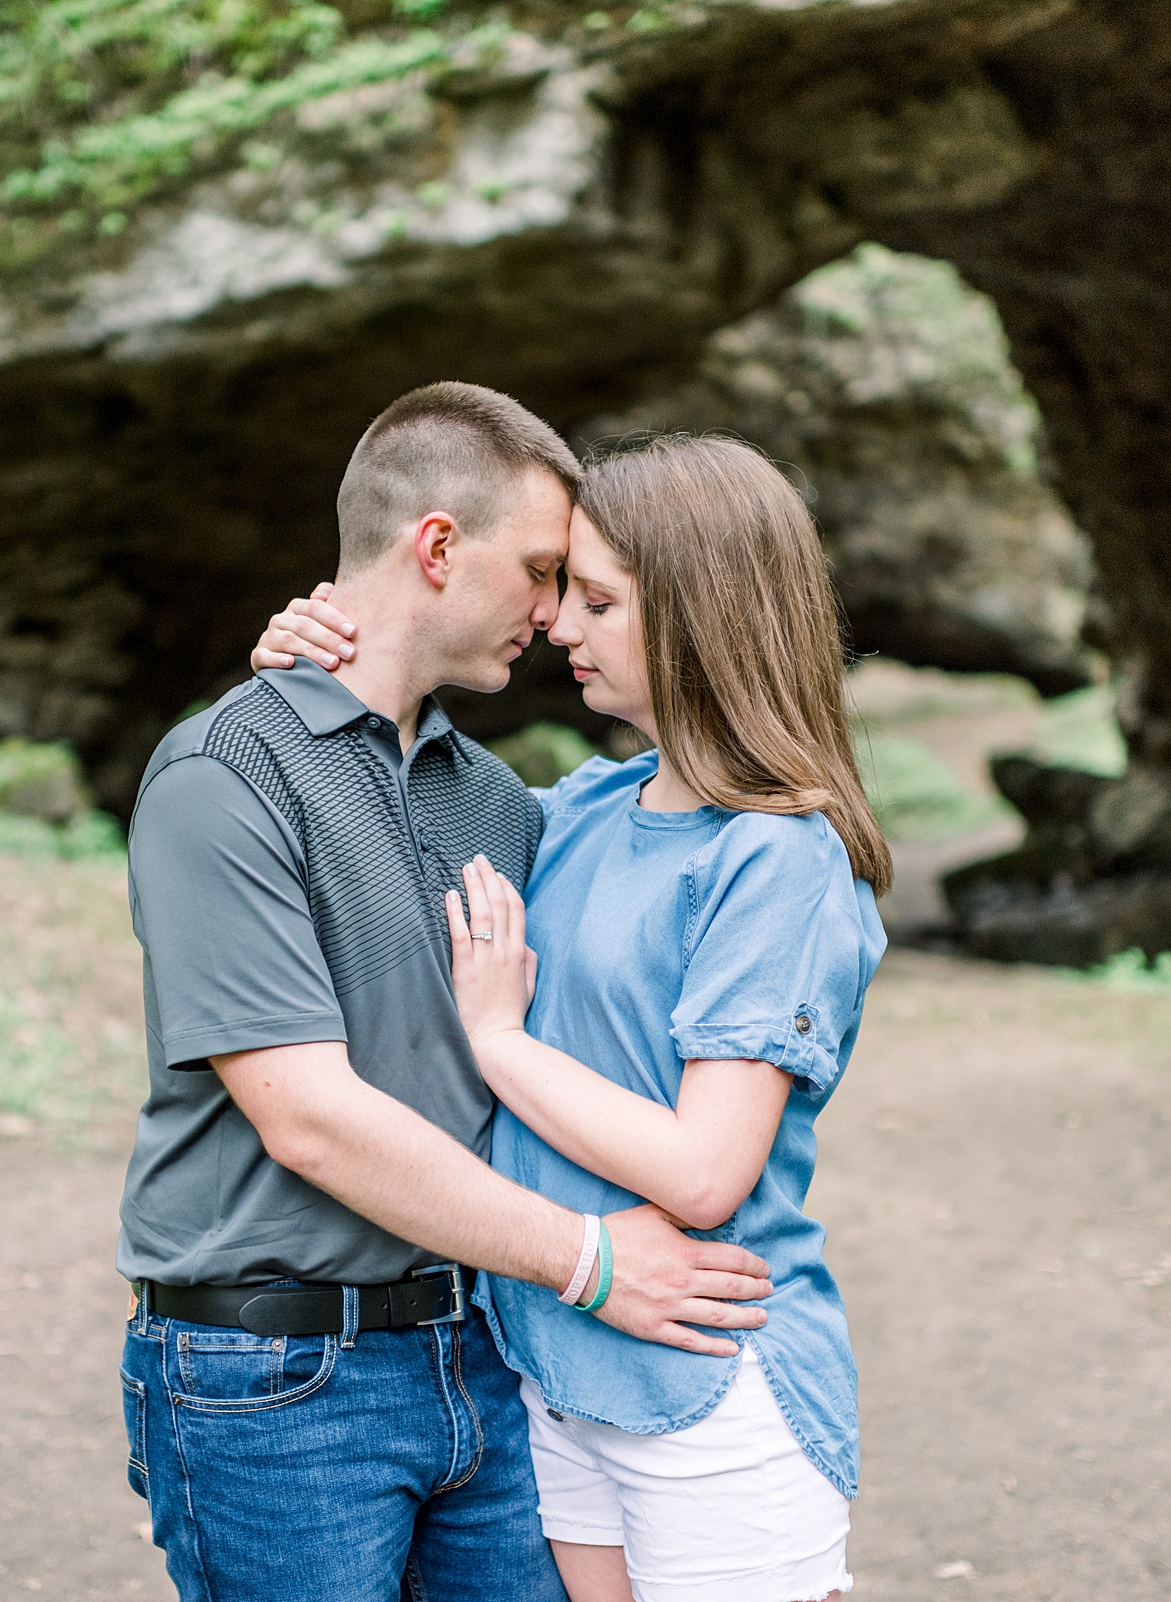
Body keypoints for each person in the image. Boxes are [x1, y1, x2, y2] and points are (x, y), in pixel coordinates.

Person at [120, 385, 778, 1602]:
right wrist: (587, 1260)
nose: (551, 613)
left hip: (481, 1347)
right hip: (272, 1381)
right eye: (540, 572)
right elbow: (308, 1118)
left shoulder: (506, 806)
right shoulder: (222, 776)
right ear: (434, 547)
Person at [253, 433, 891, 1602]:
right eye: (560, 591)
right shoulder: (586, 807)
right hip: (555, 1370)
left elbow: (705, 1173)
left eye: (597, 600)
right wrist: (321, 671)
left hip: (705, 1380)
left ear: (703, 616)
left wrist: (499, 1043)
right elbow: (390, 817)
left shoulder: (779, 858)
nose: (557, 625)